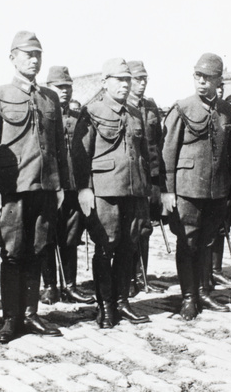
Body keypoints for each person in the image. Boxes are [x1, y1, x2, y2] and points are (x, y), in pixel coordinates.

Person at [0, 31, 68, 343]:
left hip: (44, 187)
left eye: (38, 54)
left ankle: (31, 313)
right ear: (12, 57)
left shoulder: (49, 99)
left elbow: (58, 146)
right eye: (27, 54)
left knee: (38, 249)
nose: (33, 59)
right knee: (13, 252)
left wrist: (61, 185)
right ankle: (11, 319)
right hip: (12, 189)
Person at [72, 58, 151, 329]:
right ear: (105, 82)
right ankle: (104, 306)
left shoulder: (134, 113)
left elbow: (143, 154)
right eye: (119, 79)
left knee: (129, 247)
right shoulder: (92, 111)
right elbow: (80, 155)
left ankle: (121, 303)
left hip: (133, 191)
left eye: (127, 80)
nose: (125, 85)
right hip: (104, 191)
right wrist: (84, 188)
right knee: (106, 247)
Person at [161, 53, 231, 321]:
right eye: (198, 77)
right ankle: (188, 297)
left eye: (208, 78)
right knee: (188, 242)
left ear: (219, 81)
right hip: (188, 189)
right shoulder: (182, 108)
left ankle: (204, 291)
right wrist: (168, 191)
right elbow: (168, 152)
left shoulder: (226, 110)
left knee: (208, 240)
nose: (202, 82)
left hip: (216, 189)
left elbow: (230, 152)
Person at [39, 66, 95, 305]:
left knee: (71, 237)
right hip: (49, 186)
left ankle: (70, 285)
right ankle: (50, 286)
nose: (64, 91)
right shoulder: (42, 113)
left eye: (67, 87)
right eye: (58, 87)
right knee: (47, 237)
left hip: (72, 186)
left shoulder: (78, 116)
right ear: (48, 87)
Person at [125, 61, 165, 296]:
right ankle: (127, 278)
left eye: (144, 80)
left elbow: (157, 143)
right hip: (131, 178)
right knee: (130, 230)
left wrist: (158, 180)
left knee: (145, 229)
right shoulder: (123, 107)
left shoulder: (151, 107)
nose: (141, 84)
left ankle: (141, 277)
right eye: (137, 80)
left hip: (151, 179)